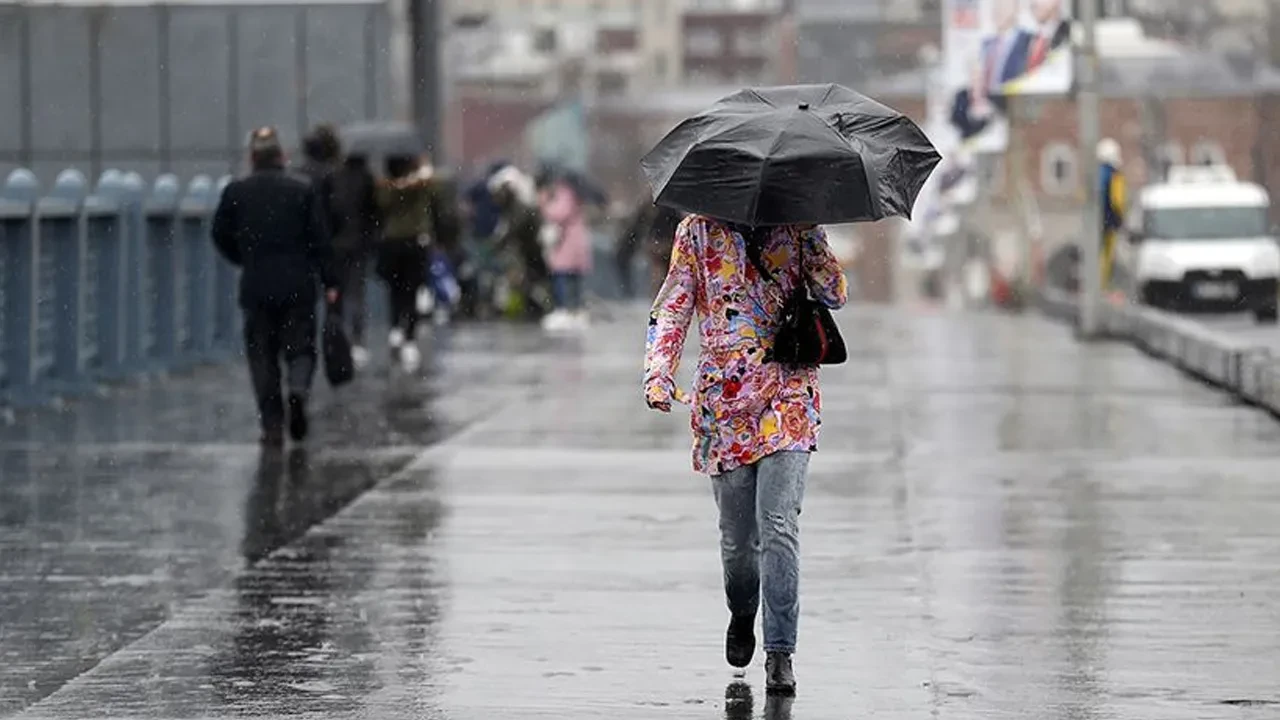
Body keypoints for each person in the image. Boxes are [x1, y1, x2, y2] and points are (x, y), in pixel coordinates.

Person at [643, 215, 848, 695]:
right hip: (725, 403)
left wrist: (812, 237)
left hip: (788, 393)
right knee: (738, 544)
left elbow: (835, 293)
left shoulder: (797, 223)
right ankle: (742, 610)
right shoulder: (697, 231)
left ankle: (780, 651)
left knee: (778, 524)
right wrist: (658, 373)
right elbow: (674, 306)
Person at [212, 126, 339, 446]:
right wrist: (330, 281)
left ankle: (272, 425)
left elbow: (219, 235)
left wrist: (244, 257)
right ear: (282, 156)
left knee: (262, 356)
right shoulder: (302, 190)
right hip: (298, 284)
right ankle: (297, 389)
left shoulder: (236, 192)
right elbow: (320, 240)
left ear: (252, 158)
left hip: (256, 286)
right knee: (301, 348)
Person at [375, 154, 434, 372]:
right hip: (414, 243)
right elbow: (430, 183)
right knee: (412, 291)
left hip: (391, 243)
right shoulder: (418, 186)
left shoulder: (384, 188)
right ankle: (409, 337)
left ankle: (395, 330)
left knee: (395, 291)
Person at [322, 153, 379, 367]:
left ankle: (334, 337)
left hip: (336, 245)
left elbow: (327, 213)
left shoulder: (333, 178)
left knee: (335, 292)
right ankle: (357, 340)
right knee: (357, 293)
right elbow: (373, 213)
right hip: (358, 245)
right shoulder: (366, 179)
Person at [489, 166, 551, 320]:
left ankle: (540, 307)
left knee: (530, 282)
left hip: (531, 251)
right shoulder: (513, 207)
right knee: (527, 282)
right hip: (528, 250)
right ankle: (532, 307)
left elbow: (514, 228)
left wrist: (499, 243)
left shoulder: (520, 207)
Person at [539, 175, 593, 331]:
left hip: (567, 242)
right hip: (577, 240)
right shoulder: (578, 196)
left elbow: (557, 214)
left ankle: (563, 310)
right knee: (575, 278)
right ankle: (577, 310)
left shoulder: (565, 193)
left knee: (560, 274)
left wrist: (544, 201)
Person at [1098, 138, 1126, 291]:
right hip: (1108, 221)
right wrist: (1118, 219)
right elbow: (1117, 200)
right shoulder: (1114, 175)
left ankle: (1097, 286)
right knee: (1106, 256)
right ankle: (1102, 287)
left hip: (1097, 222)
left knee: (1098, 254)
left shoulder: (1096, 173)